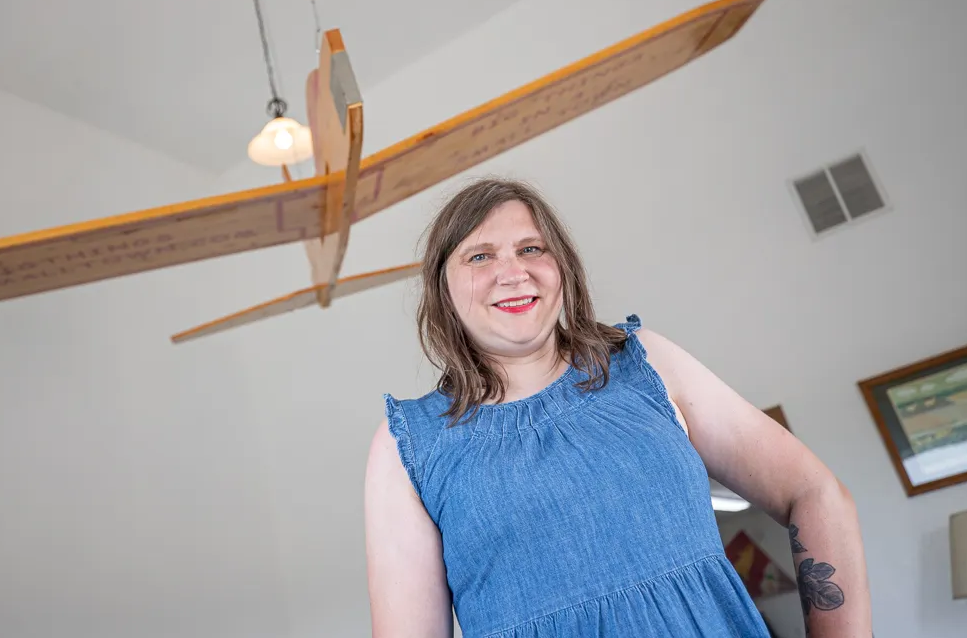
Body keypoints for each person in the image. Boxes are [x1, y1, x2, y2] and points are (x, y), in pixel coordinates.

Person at [364, 177, 871, 638]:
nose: (512, 272)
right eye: (479, 257)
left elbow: (816, 492)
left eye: (531, 248)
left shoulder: (647, 362)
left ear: (561, 266)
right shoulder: (408, 444)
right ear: (442, 288)